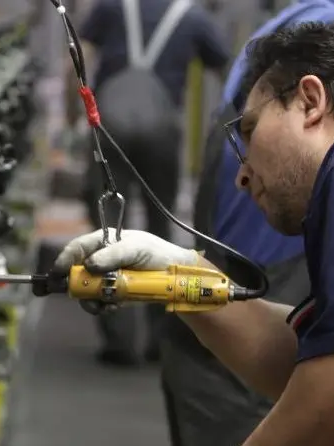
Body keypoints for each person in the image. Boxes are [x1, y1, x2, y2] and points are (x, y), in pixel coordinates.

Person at [57, 22, 334, 445]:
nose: (241, 177)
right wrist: (178, 271)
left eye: (250, 131)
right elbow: (306, 359)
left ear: (311, 101)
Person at [67, 0, 231, 367]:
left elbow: (78, 59)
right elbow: (231, 76)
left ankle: (119, 339)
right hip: (163, 131)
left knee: (109, 232)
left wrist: (70, 114)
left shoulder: (111, 7)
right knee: (162, 229)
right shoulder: (195, 17)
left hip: (110, 128)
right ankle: (161, 339)